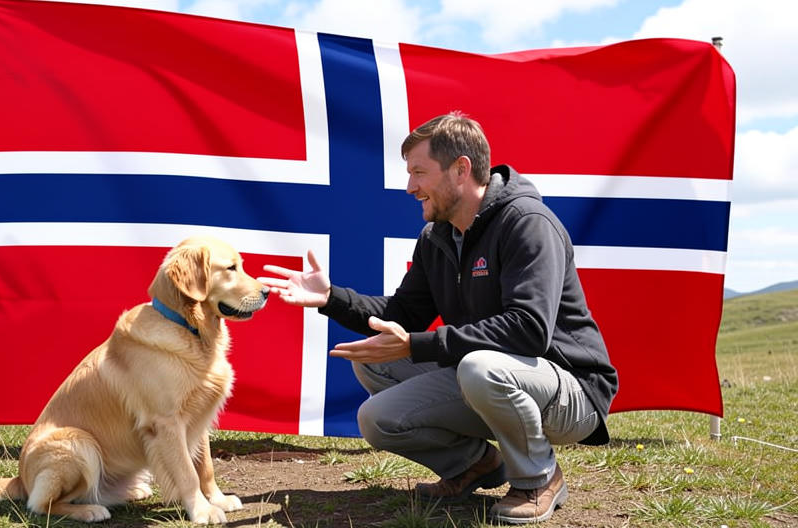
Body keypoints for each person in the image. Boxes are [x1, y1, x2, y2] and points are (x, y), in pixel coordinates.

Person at [259, 111, 618, 525]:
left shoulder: (528, 224)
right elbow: (400, 316)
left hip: (572, 389)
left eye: (418, 172)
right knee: (376, 402)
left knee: (479, 367)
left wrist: (418, 344)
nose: (410, 187)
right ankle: (475, 464)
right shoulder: (438, 237)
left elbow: (529, 330)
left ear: (460, 169)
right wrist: (330, 298)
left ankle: (538, 478)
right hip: (493, 375)